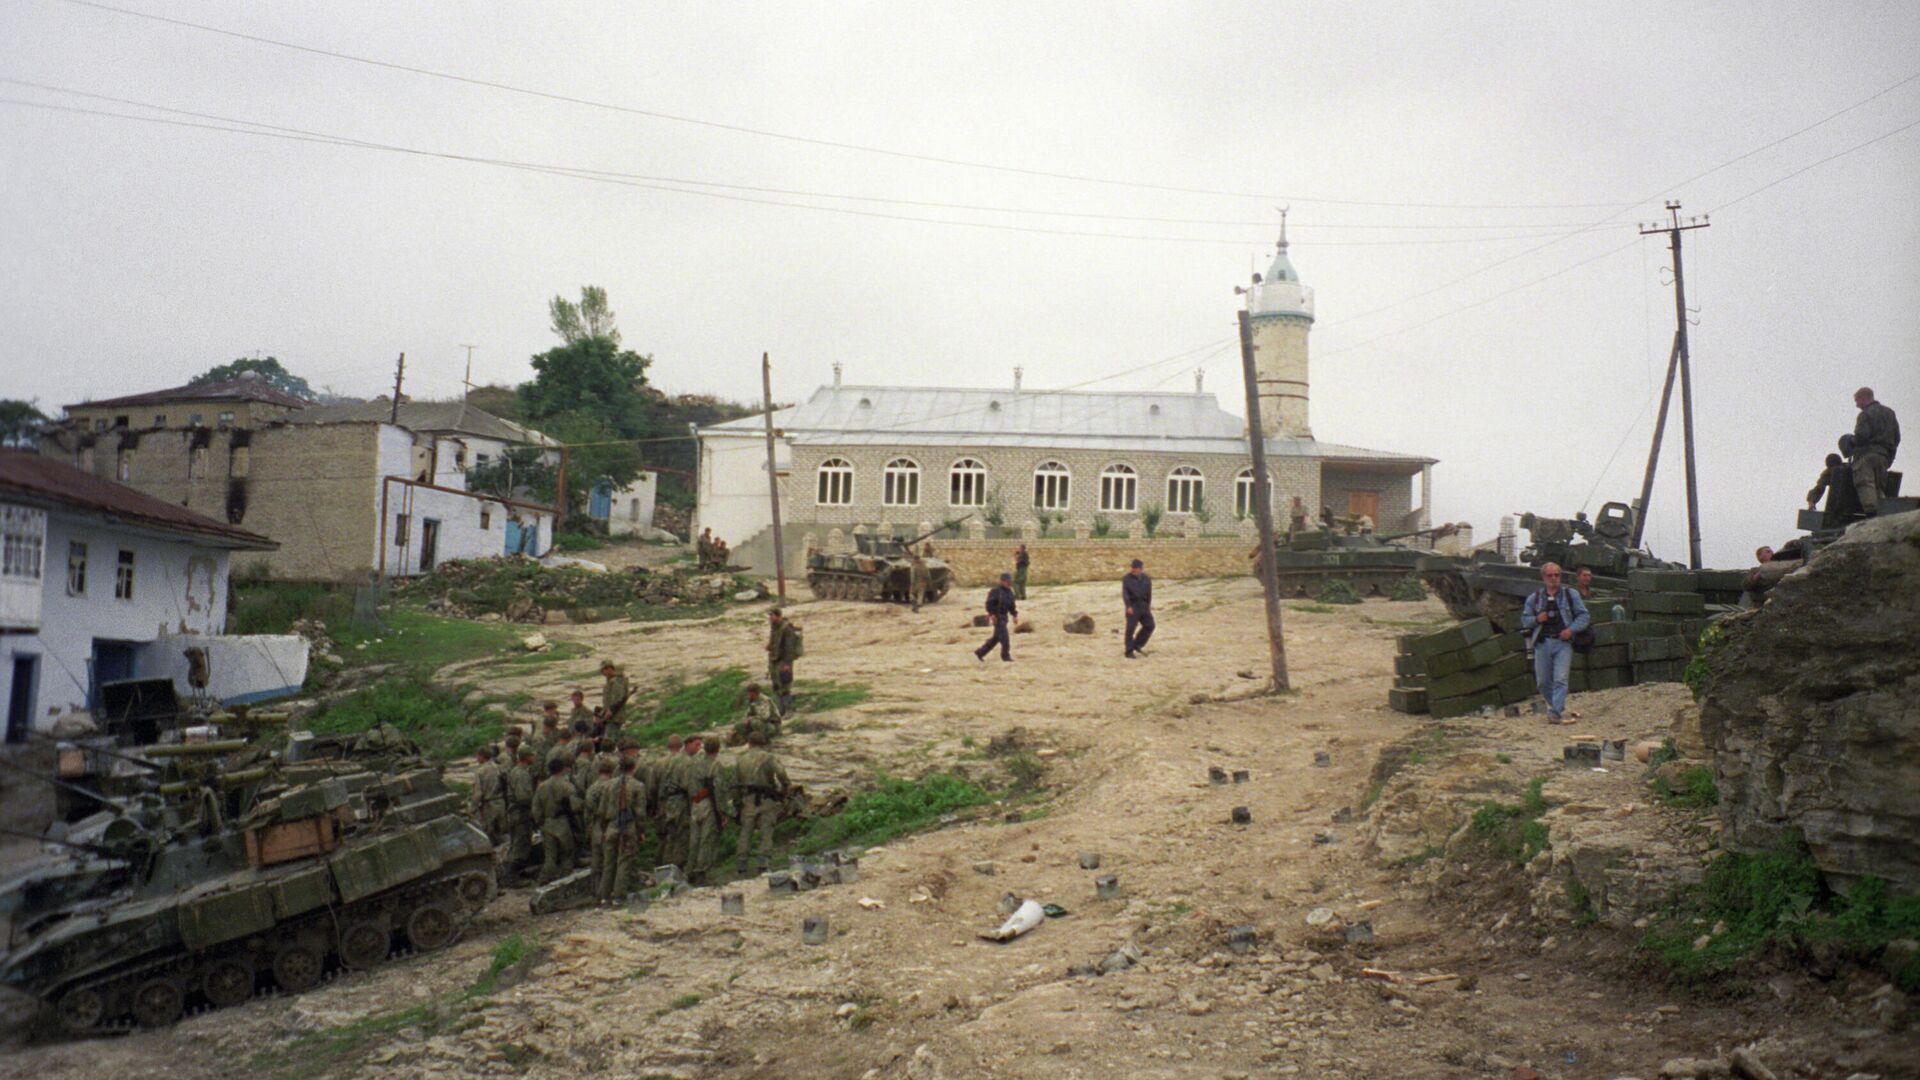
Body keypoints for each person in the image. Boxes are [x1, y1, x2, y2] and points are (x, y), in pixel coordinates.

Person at [1520, 562, 1590, 724]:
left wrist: (1571, 630)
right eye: (1550, 575)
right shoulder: (1535, 598)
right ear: (1543, 577)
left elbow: (1584, 616)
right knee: (1543, 682)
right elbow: (1525, 619)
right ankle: (1557, 705)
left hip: (1563, 643)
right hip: (1542, 643)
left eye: (1556, 575)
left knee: (1560, 679)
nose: (1553, 578)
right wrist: (1537, 619)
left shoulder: (1570, 595)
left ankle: (1555, 712)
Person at [733, 730, 790, 876]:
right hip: (766, 799)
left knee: (745, 833)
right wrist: (785, 787)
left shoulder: (741, 759)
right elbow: (781, 773)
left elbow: (735, 784)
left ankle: (741, 867)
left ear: (749, 743)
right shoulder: (768, 757)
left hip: (748, 800)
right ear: (763, 743)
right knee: (766, 831)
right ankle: (763, 866)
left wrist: (738, 804)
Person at [600, 756, 648, 903]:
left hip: (611, 825)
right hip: (628, 827)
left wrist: (603, 829)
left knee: (609, 863)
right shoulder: (638, 786)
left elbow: (602, 809)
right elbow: (640, 812)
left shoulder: (608, 785)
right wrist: (641, 831)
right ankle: (619, 896)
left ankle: (604, 896)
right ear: (633, 768)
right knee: (624, 862)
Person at [530, 758, 583, 885]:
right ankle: (565, 881)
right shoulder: (567, 786)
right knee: (567, 854)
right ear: (563, 769)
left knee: (550, 857)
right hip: (563, 823)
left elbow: (536, 808)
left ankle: (543, 880)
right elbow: (576, 806)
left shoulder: (541, 786)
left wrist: (540, 822)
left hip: (547, 824)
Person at [1851, 387, 1901, 514]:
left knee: (1865, 483)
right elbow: (1896, 437)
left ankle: (1871, 514)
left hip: (1866, 455)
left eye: (1857, 401)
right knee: (1879, 488)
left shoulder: (1865, 414)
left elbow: (1862, 437)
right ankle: (1883, 514)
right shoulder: (1890, 413)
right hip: (1884, 456)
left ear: (1863, 398)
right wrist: (1890, 457)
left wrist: (1850, 441)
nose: (1857, 405)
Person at [681, 735, 719, 883]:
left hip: (694, 804)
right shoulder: (715, 765)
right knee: (706, 840)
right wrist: (723, 812)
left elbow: (685, 784)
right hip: (707, 803)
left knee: (694, 840)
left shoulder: (693, 764)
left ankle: (689, 871)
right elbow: (719, 790)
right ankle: (701, 873)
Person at [584, 758, 617, 893]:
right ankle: (607, 890)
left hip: (595, 824)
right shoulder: (612, 787)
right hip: (609, 824)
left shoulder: (592, 787)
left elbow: (588, 808)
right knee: (609, 860)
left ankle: (595, 890)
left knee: (596, 860)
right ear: (612, 771)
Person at [656, 734, 690, 869]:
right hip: (679, 801)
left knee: (665, 836)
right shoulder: (684, 761)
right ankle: (676, 866)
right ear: (681, 746)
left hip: (663, 801)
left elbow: (653, 784)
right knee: (680, 835)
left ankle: (661, 865)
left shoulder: (659, 763)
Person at [1807, 452, 1864, 528]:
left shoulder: (1830, 472)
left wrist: (1811, 502)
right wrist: (1812, 500)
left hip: (1839, 508)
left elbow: (1820, 487)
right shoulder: (1854, 468)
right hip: (1860, 506)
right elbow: (1820, 487)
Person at [506, 747, 537, 881]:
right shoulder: (522, 774)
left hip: (515, 812)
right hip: (521, 813)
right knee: (521, 843)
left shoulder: (515, 771)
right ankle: (512, 876)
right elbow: (523, 797)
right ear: (527, 757)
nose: (534, 758)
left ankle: (518, 872)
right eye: (532, 756)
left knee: (516, 842)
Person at [974, 572, 1017, 662]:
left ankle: (980, 652)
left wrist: (1014, 615)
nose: (1008, 583)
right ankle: (1005, 656)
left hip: (1004, 618)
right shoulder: (996, 591)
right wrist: (992, 614)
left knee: (996, 638)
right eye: (1006, 581)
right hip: (997, 617)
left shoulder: (1009, 592)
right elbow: (989, 604)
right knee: (1005, 638)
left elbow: (1012, 605)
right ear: (1001, 581)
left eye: (1009, 581)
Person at [766, 608, 802, 717]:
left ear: (778, 616)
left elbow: (789, 648)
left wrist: (787, 664)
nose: (770, 618)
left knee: (784, 685)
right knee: (776, 685)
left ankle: (789, 710)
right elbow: (774, 641)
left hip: (784, 660)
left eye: (772, 615)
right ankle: (780, 710)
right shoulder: (774, 627)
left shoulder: (786, 629)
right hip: (774, 659)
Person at [469, 747, 507, 845]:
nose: (477, 758)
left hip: (489, 805)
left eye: (477, 756)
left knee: (490, 833)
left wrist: (472, 809)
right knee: (504, 831)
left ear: (482, 756)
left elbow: (478, 793)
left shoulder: (480, 771)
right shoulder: (499, 768)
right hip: (501, 802)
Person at [1123, 559, 1154, 659]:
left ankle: (1137, 644)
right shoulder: (1126, 579)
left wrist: (1148, 606)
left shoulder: (1147, 579)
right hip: (1133, 606)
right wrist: (1128, 606)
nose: (1133, 570)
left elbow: (1149, 594)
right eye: (1132, 568)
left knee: (1150, 625)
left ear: (1140, 569)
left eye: (1135, 568)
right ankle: (1129, 651)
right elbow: (1125, 594)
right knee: (1130, 629)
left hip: (1144, 606)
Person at [601, 661, 633, 728]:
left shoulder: (617, 680)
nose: (603, 673)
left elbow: (618, 697)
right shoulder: (611, 681)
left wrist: (610, 710)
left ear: (610, 669)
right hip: (611, 716)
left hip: (615, 716)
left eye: (604, 670)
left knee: (609, 737)